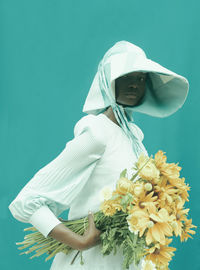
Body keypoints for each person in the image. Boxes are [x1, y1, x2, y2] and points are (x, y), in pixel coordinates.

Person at [8, 41, 189, 270]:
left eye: (141, 78)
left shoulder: (135, 139)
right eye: (126, 77)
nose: (134, 85)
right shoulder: (97, 132)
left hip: (126, 260)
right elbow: (27, 202)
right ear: (107, 81)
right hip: (90, 263)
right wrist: (80, 241)